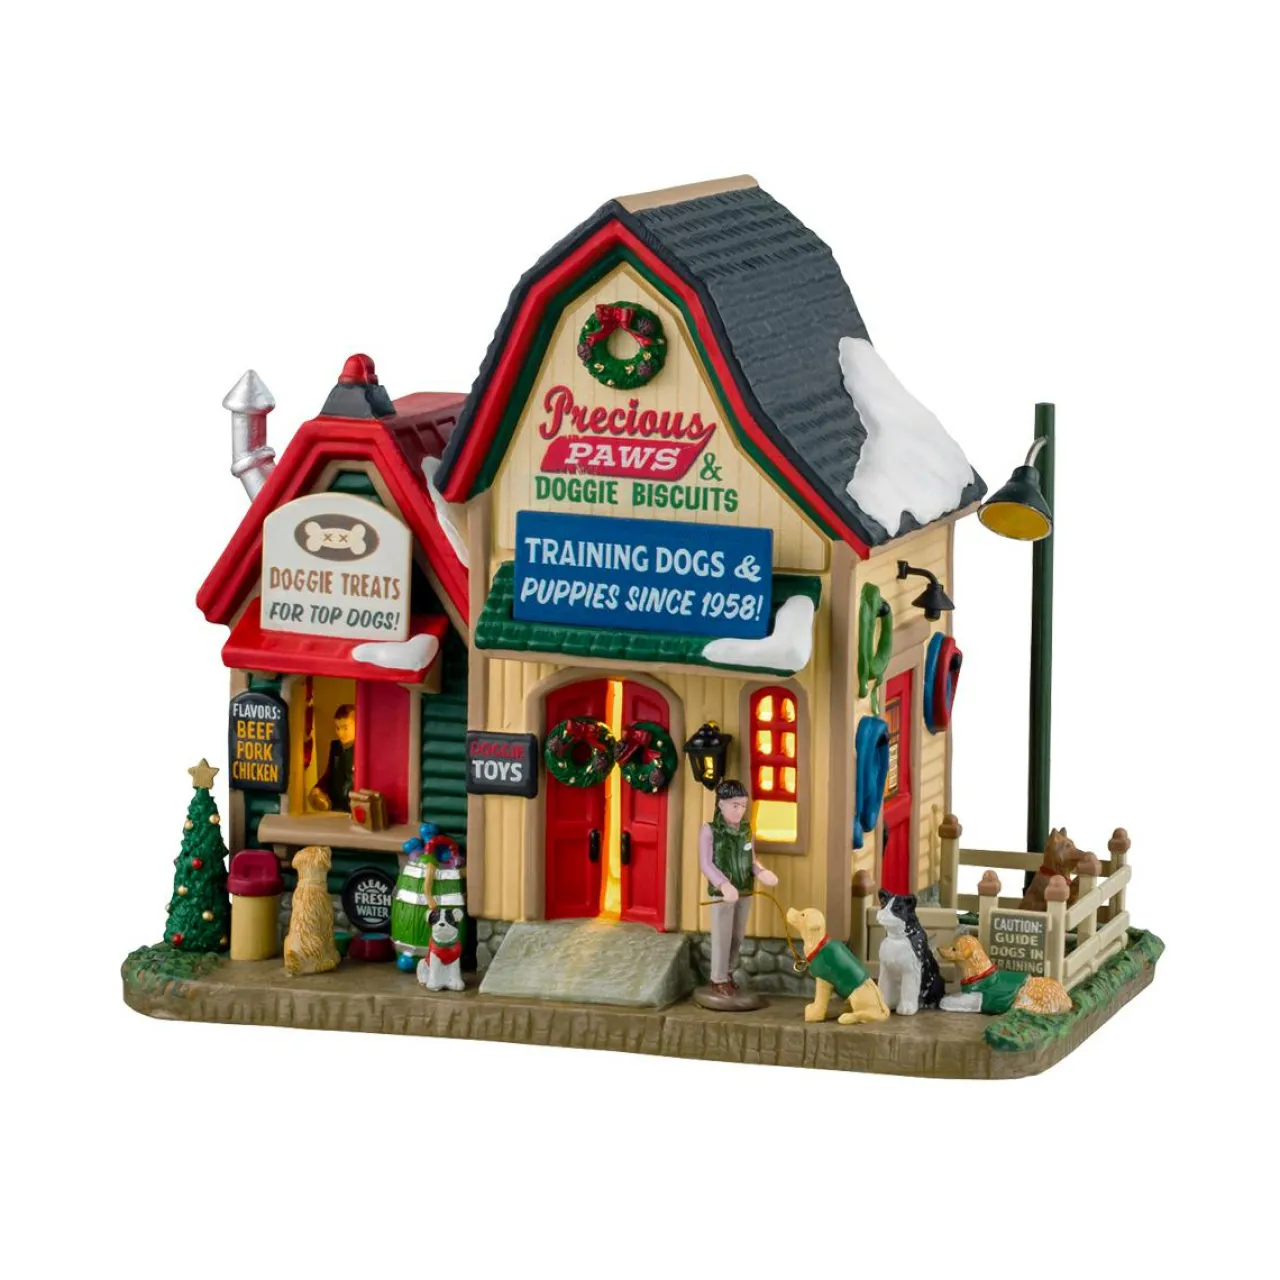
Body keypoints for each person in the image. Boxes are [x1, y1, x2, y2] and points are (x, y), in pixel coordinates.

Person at [698, 778, 777, 1004]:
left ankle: (729, 973)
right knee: (722, 936)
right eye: (735, 805)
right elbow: (706, 864)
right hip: (723, 893)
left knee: (737, 935)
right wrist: (723, 884)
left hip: (744, 890)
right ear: (721, 804)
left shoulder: (746, 830)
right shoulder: (709, 830)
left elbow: (752, 860)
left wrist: (761, 872)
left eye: (743, 805)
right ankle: (718, 979)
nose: (739, 810)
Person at [309, 705, 356, 812]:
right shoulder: (335, 747)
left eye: (345, 728)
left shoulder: (364, 750)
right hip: (337, 807)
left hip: (355, 807)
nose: (340, 733)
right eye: (337, 728)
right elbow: (329, 773)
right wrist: (319, 788)